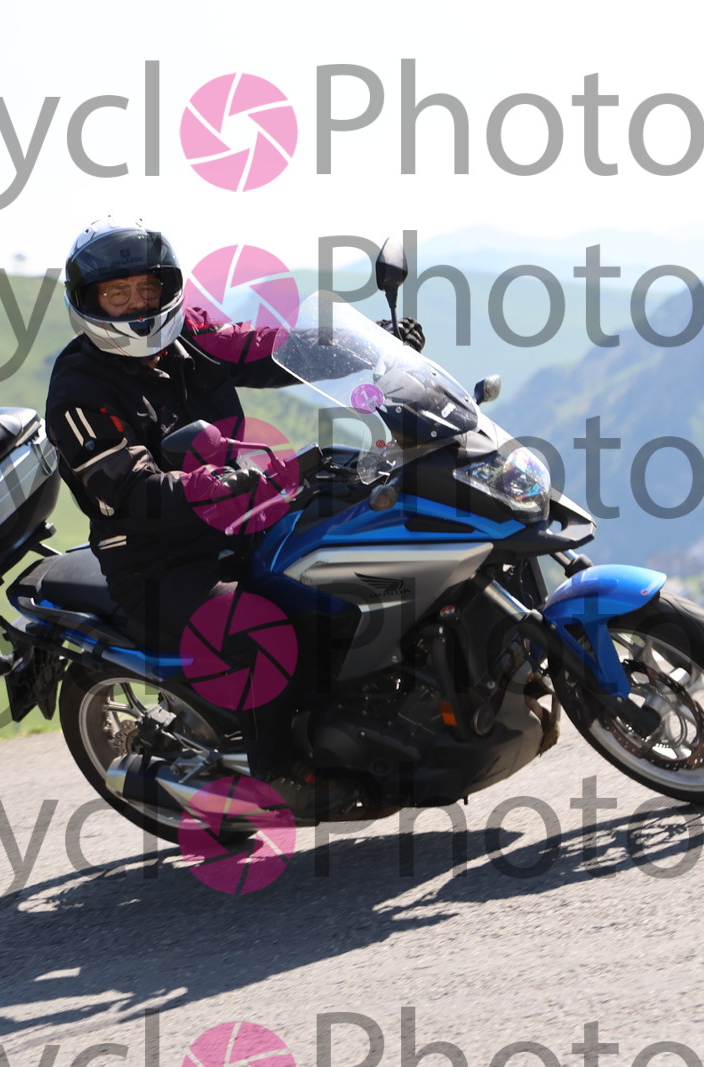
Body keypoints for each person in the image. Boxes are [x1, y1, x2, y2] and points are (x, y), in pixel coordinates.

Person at [44, 217, 422, 780]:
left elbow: (271, 350)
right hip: (159, 562)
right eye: (117, 294)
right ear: (89, 302)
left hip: (244, 517)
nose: (137, 305)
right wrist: (209, 485)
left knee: (356, 561)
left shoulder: (190, 336)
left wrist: (366, 346)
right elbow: (128, 489)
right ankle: (285, 777)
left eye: (146, 287)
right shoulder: (78, 390)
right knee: (260, 635)